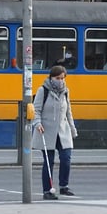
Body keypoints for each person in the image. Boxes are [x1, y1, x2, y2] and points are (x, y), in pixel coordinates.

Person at [33, 65, 78, 200]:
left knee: (66, 159)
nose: (60, 81)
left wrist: (72, 128)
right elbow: (36, 110)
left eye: (62, 78)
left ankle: (64, 186)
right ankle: (47, 190)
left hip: (63, 130)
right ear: (51, 77)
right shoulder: (43, 90)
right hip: (46, 131)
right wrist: (38, 123)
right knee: (49, 161)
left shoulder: (65, 91)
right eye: (57, 78)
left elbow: (68, 111)